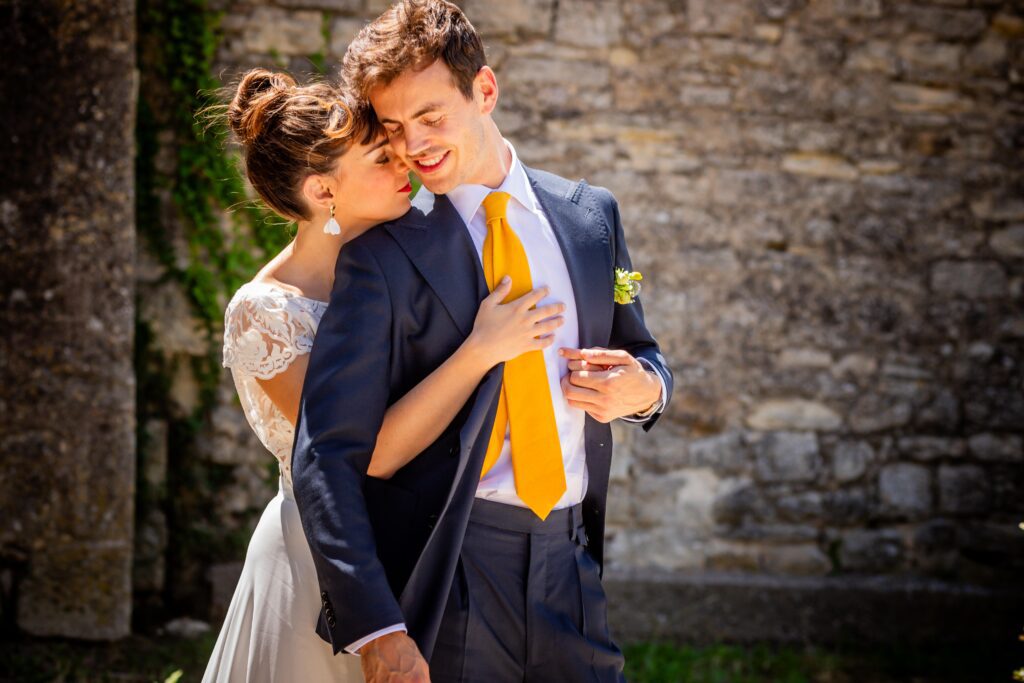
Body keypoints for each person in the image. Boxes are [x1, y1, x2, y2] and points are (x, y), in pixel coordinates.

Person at [291, 2, 674, 681]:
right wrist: (378, 626)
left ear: (486, 91)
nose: (414, 144)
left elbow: (644, 354)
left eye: (432, 117)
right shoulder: (381, 258)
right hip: (455, 567)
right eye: (394, 127)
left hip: (572, 565)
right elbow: (326, 454)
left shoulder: (591, 218)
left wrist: (645, 388)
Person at [203, 68, 566, 682]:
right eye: (381, 157)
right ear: (323, 192)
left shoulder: (405, 262)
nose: (407, 164)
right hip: (325, 561)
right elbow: (369, 455)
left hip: (423, 545)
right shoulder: (265, 314)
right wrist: (480, 350)